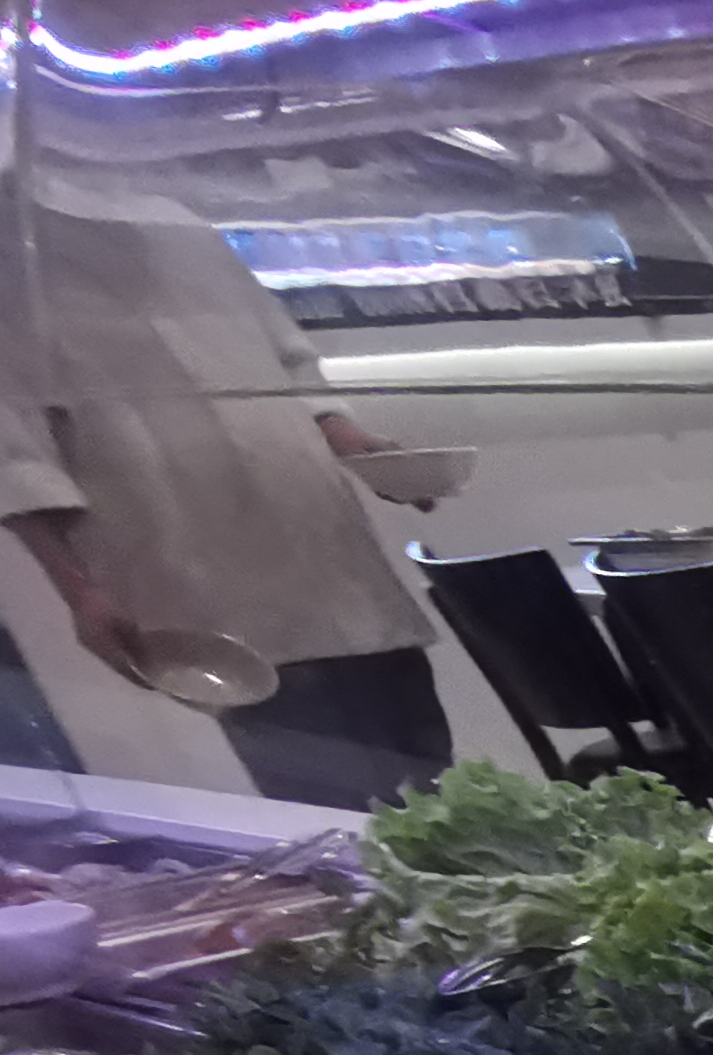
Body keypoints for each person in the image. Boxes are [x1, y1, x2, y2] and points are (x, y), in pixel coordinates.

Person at [0, 170, 453, 807]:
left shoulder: (170, 215)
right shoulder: (11, 251)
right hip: (188, 554)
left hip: (318, 531)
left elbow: (286, 355)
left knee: (427, 762)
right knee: (320, 781)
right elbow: (15, 449)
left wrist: (349, 438)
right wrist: (79, 592)